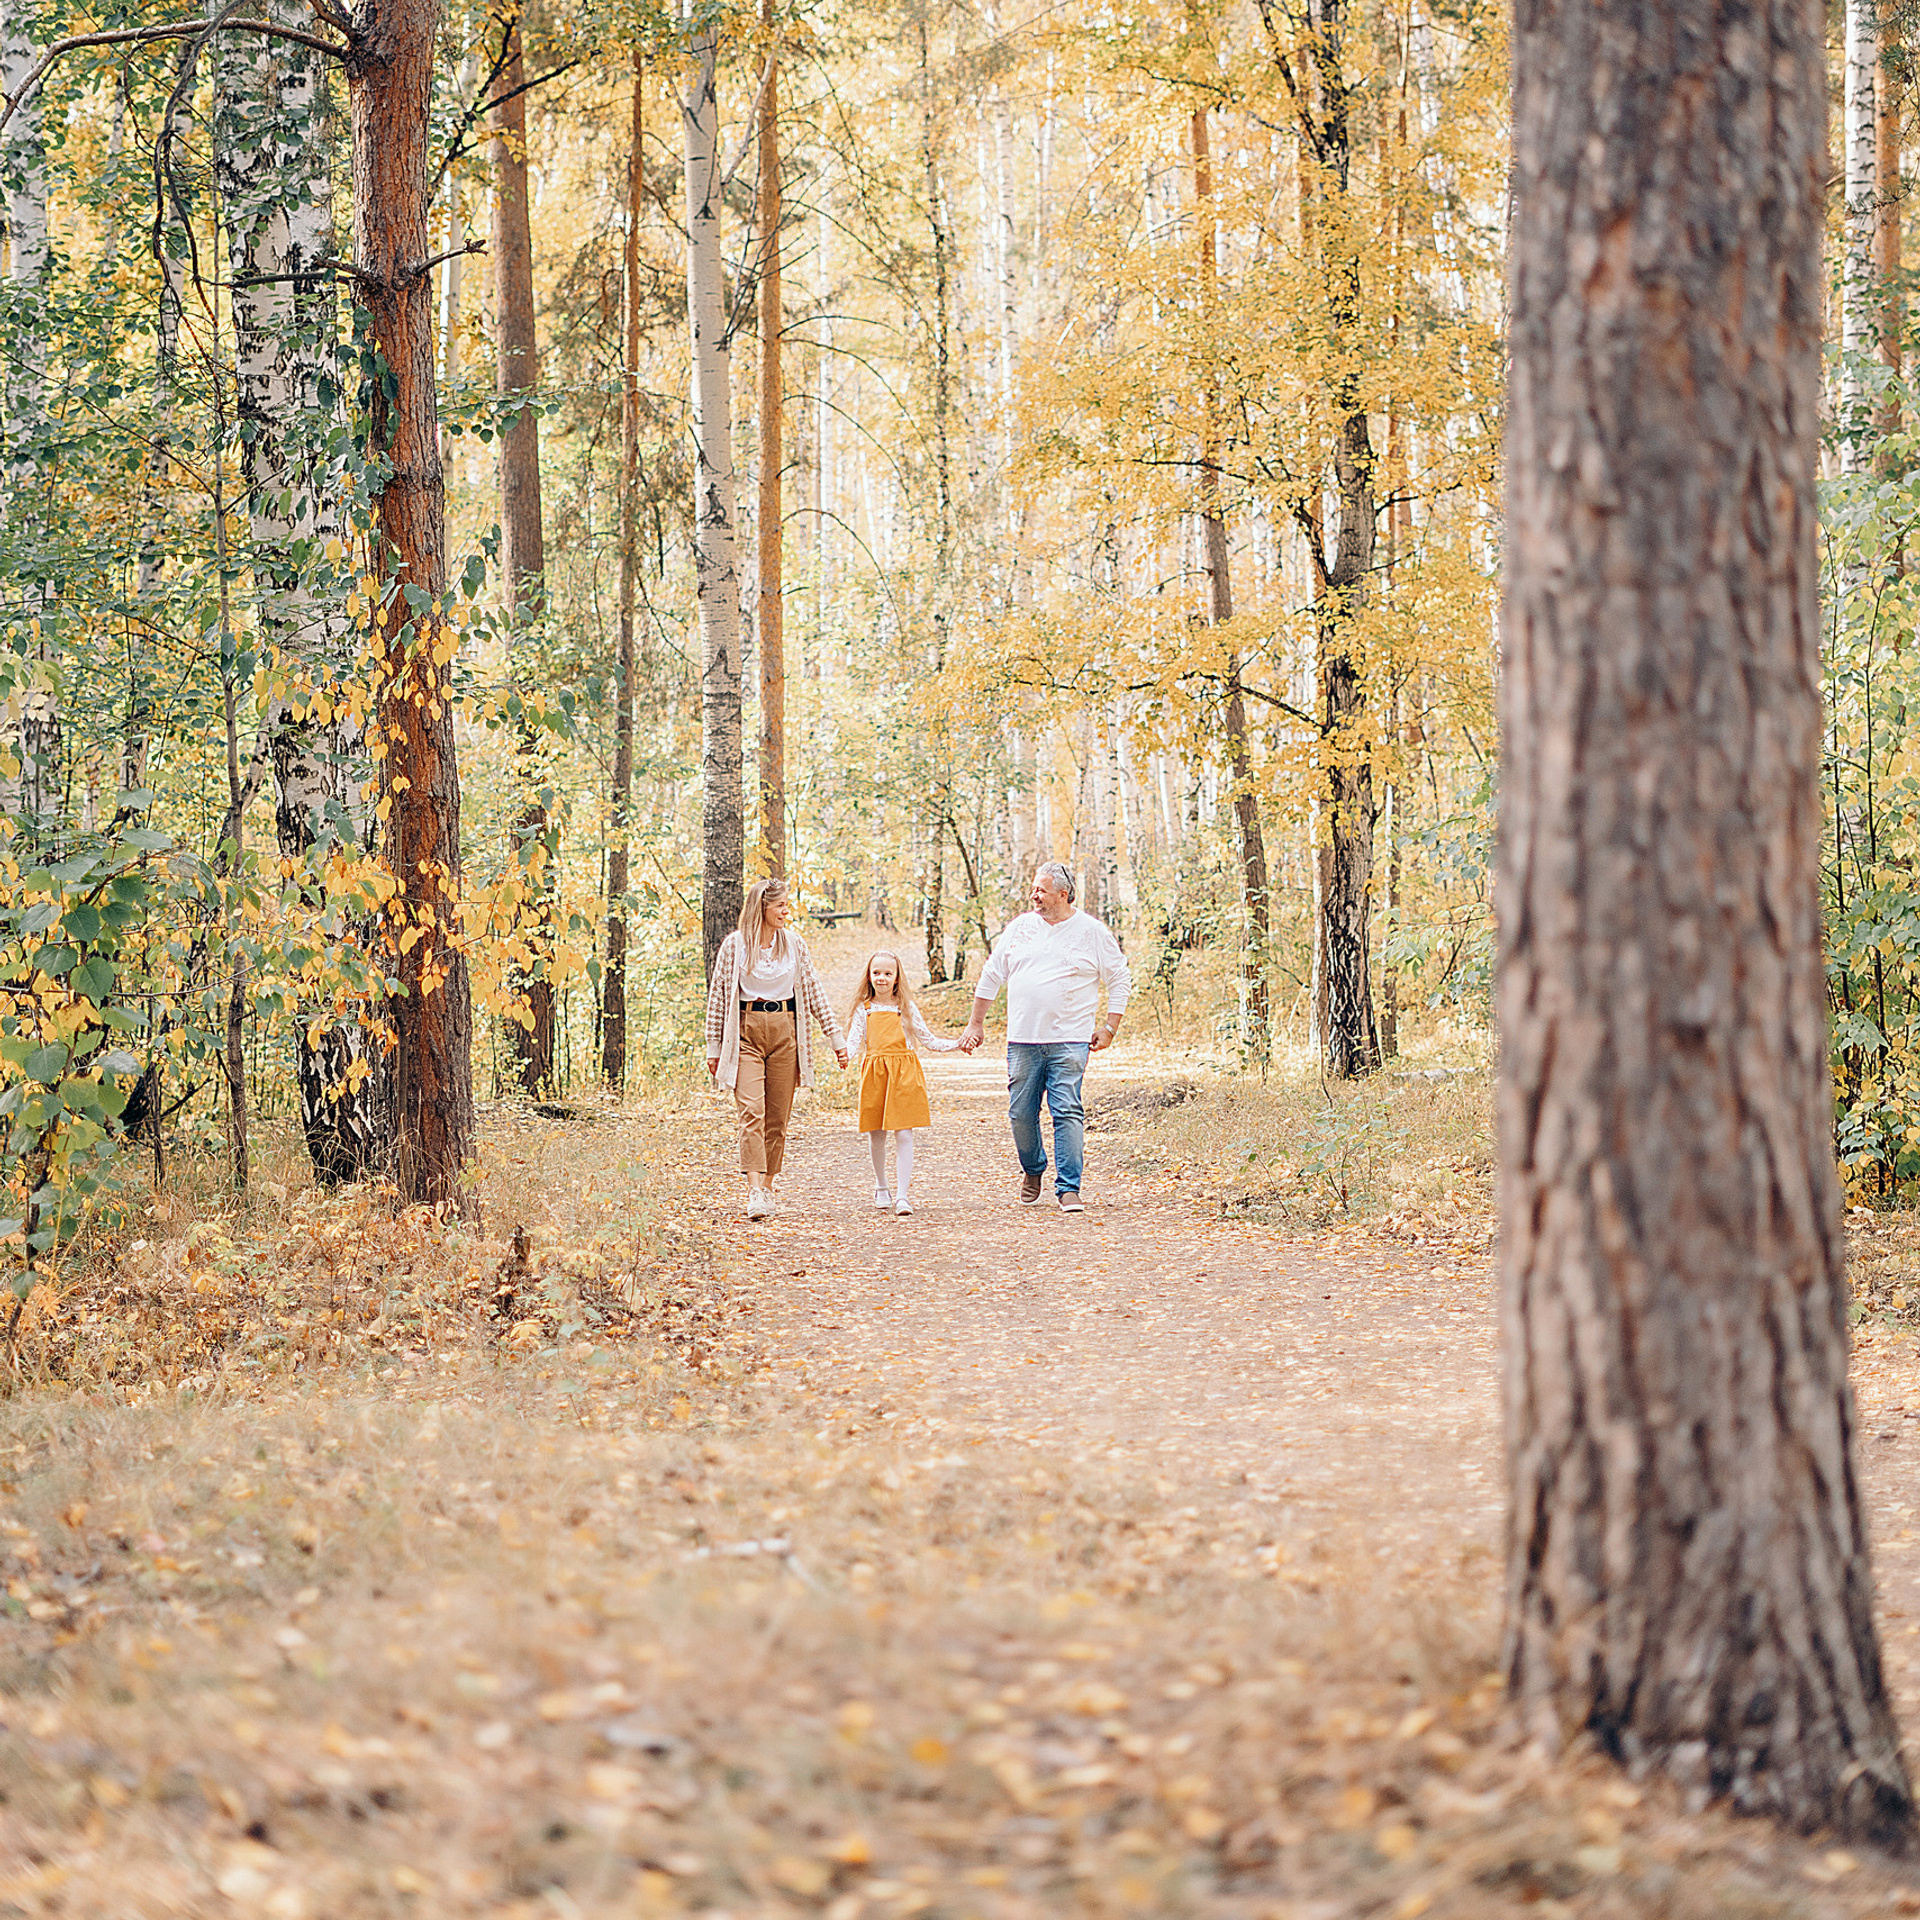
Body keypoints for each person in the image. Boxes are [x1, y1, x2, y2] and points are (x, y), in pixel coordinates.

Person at [959, 861, 1130, 1213]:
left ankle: (1069, 1187)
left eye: (1041, 889)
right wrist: (976, 1024)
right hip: (1023, 1039)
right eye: (1034, 888)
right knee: (1021, 1113)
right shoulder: (1020, 928)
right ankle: (1033, 1167)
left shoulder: (1092, 932)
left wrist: (1110, 1026)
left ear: (1063, 895)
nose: (1034, 894)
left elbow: (1119, 978)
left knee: (1067, 1110)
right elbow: (992, 975)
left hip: (1070, 1038)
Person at [705, 878, 848, 1219]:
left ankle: (768, 1186)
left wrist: (836, 1038)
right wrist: (713, 1046)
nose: (786, 911)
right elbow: (719, 995)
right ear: (762, 908)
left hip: (785, 1030)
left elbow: (813, 991)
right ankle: (754, 1190)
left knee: (778, 1116)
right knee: (751, 1111)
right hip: (746, 1031)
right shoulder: (735, 945)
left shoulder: (794, 944)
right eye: (780, 906)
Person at [847, 951, 964, 1216]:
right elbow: (853, 1043)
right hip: (876, 1074)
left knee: (904, 1133)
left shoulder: (906, 1008)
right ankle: (881, 1186)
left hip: (904, 1075)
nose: (882, 978)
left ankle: (902, 1196)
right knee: (876, 1133)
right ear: (869, 975)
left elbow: (929, 1040)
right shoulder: (864, 1010)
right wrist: (843, 1055)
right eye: (876, 972)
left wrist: (958, 1043)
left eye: (888, 973)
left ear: (898, 977)